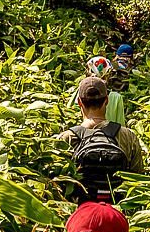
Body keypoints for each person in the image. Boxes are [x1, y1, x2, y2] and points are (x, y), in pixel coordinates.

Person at [59, 76, 144, 204]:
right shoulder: (128, 136)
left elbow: (58, 187)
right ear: (107, 101)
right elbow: (139, 182)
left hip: (79, 214)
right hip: (117, 212)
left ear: (79, 102)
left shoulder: (67, 138)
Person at [69, 56, 125, 126]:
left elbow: (69, 112)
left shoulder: (81, 92)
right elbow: (120, 125)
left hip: (83, 133)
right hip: (110, 135)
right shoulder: (116, 97)